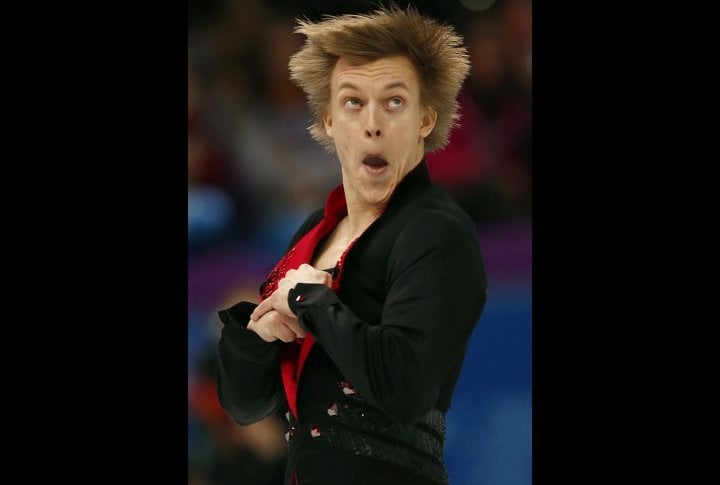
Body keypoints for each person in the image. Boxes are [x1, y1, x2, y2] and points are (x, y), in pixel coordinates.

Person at [217, 6, 487, 485]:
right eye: (353, 102)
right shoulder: (312, 235)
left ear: (426, 118)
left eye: (394, 102)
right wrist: (259, 335)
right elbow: (247, 406)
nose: (373, 124)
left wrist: (310, 301)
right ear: (328, 120)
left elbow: (402, 389)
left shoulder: (437, 232)